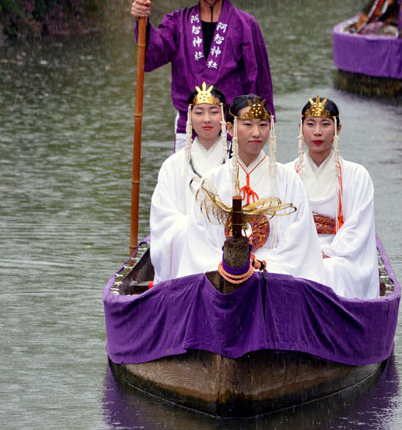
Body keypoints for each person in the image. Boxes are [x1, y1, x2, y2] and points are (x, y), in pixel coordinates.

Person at [130, 0, 274, 151]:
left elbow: (260, 79)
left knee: (229, 182)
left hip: (232, 127)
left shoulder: (246, 24)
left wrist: (261, 123)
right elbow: (153, 56)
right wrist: (142, 23)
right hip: (189, 126)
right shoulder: (177, 22)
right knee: (186, 181)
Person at [177, 95, 324, 284]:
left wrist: (263, 265)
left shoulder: (289, 180)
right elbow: (199, 244)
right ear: (229, 128)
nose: (256, 133)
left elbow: (300, 240)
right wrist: (229, 266)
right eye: (247, 124)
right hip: (221, 275)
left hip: (274, 275)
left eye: (263, 125)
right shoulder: (212, 181)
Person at [285, 96, 381, 299]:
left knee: (331, 269)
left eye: (325, 124)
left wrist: (329, 252)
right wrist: (306, 251)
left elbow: (358, 225)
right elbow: (280, 224)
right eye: (310, 124)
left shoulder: (357, 174)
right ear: (301, 128)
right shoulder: (286, 174)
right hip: (298, 248)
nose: (317, 132)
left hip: (342, 254)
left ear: (338, 129)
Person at [148, 83, 230, 283]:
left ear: (224, 117)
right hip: (183, 240)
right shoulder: (173, 165)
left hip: (226, 242)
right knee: (183, 232)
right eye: (199, 112)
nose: (207, 119)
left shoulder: (237, 161)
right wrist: (194, 228)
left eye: (213, 112)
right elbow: (162, 217)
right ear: (189, 117)